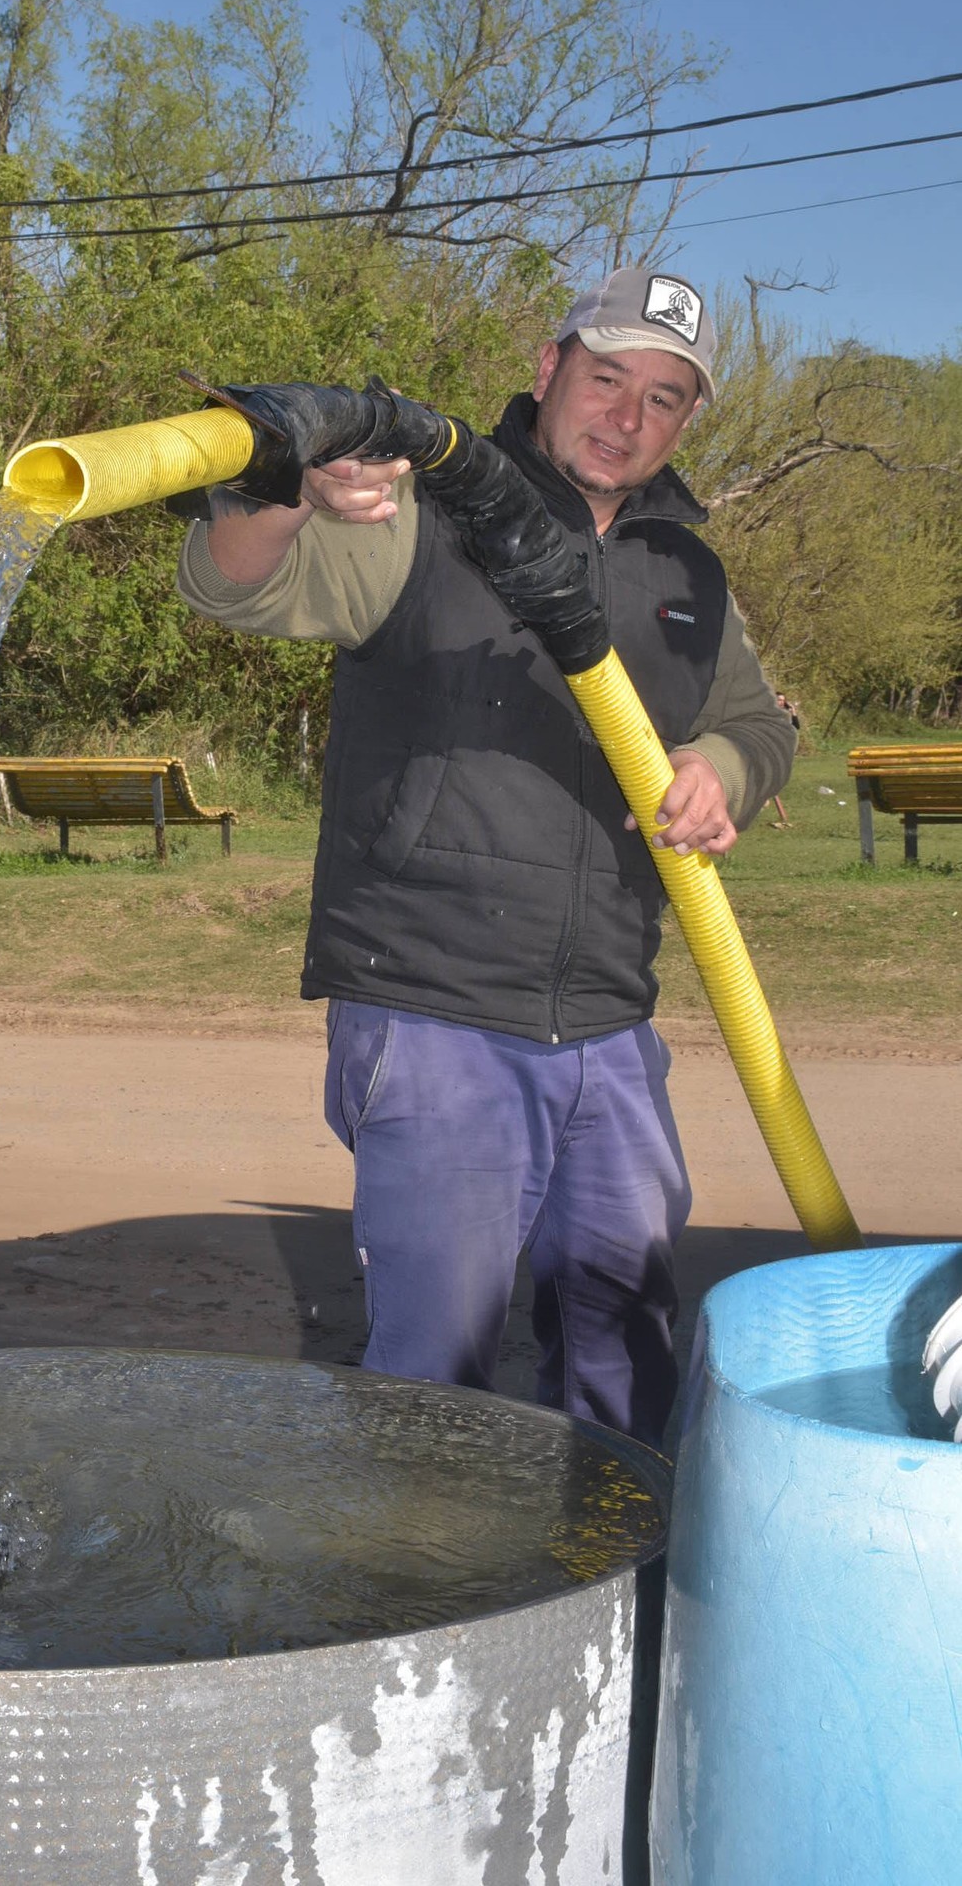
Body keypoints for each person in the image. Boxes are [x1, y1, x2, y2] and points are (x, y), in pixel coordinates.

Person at [177, 267, 796, 1446]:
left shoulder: (689, 575)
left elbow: (762, 725)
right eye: (605, 376)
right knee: (434, 1379)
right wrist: (293, 498)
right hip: (432, 1011)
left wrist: (721, 762)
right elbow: (232, 586)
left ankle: (615, 1600)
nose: (625, 414)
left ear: (685, 421)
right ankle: (419, 1616)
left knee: (626, 1351)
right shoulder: (429, 508)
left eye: (662, 397)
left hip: (611, 1025)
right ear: (548, 368)